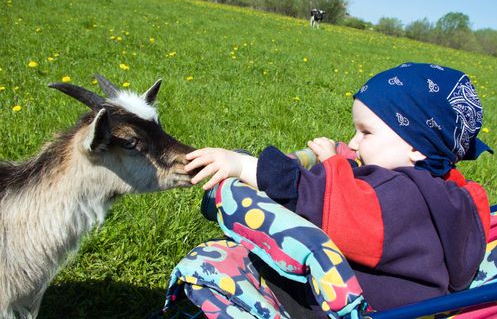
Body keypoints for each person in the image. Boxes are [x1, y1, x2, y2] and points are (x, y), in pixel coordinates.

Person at [184, 62, 493, 311]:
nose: (355, 142)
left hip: (349, 306)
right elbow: (364, 201)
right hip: (407, 302)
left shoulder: (400, 198)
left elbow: (320, 200)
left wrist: (243, 166)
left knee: (223, 263)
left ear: (418, 147)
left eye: (366, 133)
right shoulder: (450, 194)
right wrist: (340, 161)